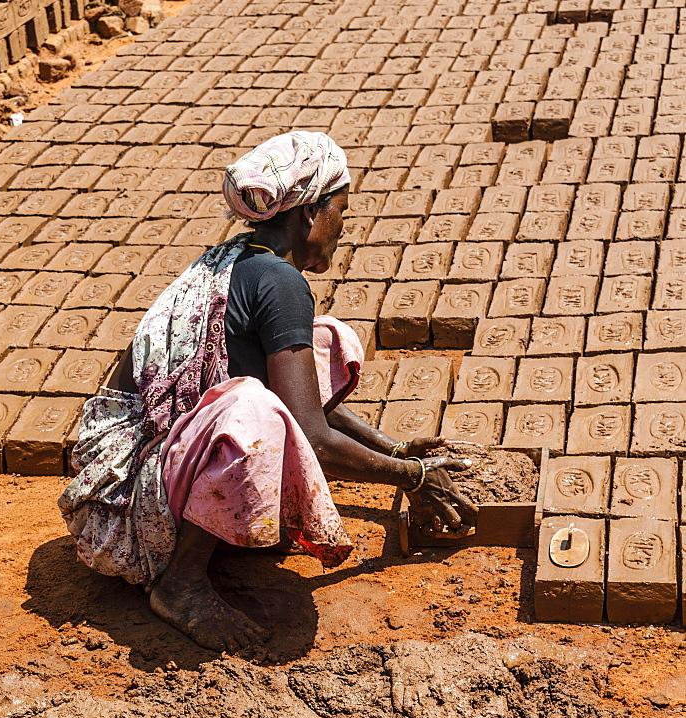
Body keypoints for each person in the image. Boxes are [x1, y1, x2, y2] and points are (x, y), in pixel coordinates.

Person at [59, 131, 477, 653]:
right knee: (252, 410)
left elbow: (301, 397)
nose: (344, 228)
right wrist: (412, 478)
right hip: (123, 501)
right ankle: (181, 584)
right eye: (342, 211)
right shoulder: (279, 282)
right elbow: (312, 435)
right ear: (309, 215)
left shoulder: (241, 257)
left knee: (326, 341)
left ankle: (218, 523)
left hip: (151, 460)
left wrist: (390, 449)